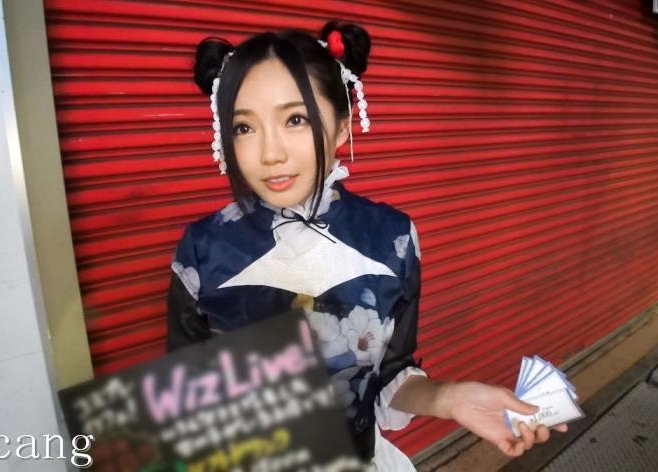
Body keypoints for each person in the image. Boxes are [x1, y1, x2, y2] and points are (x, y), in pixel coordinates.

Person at [166, 20, 567, 470]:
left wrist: (449, 398)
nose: (269, 153)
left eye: (295, 119)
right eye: (244, 127)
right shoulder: (203, 249)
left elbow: (390, 373)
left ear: (342, 127)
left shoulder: (391, 238)